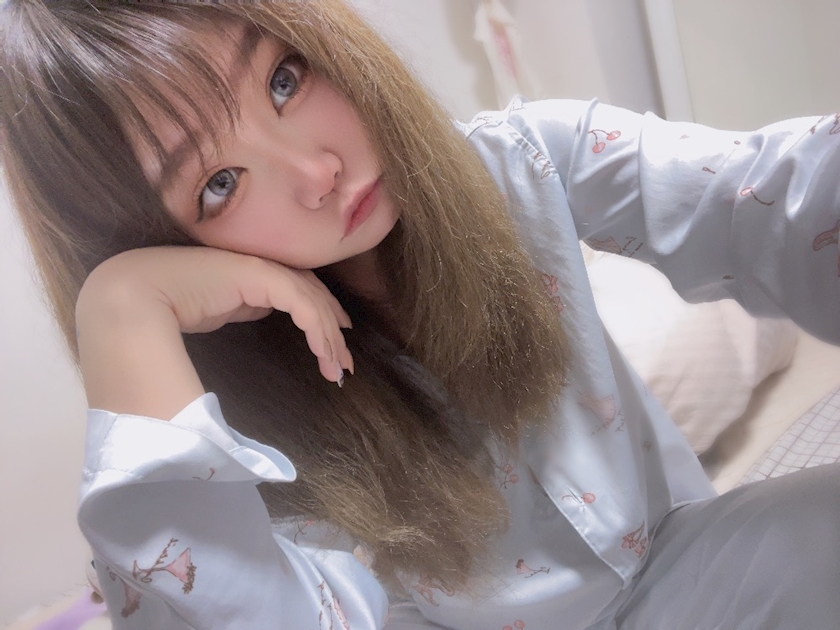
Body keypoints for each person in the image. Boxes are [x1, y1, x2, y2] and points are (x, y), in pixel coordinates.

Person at [1, 1, 839, 628]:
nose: (316, 171)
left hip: (682, 574)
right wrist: (120, 311)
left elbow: (772, 202)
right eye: (218, 184)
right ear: (158, 239)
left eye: (285, 79)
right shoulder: (231, 439)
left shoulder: (523, 165)